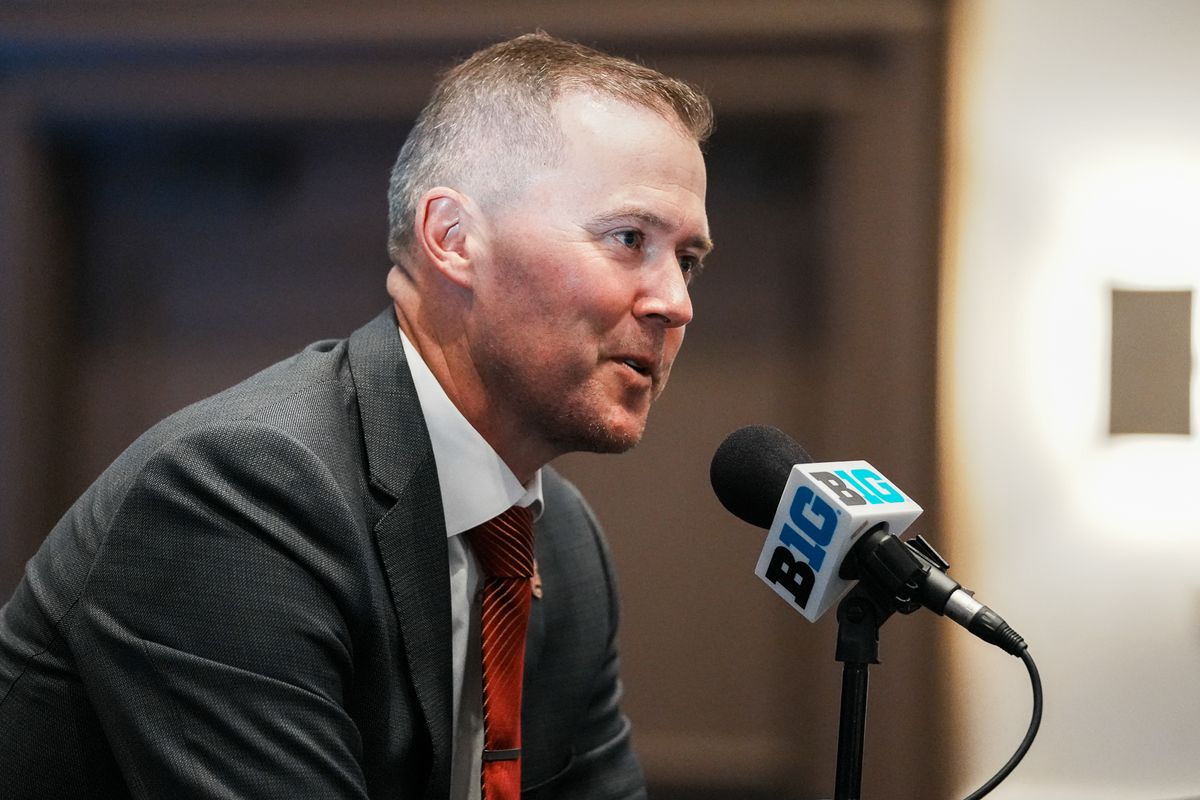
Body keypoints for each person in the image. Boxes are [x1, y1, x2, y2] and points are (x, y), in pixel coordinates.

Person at [0, 32, 712, 799]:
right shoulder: (239, 494)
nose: (675, 302)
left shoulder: (564, 545)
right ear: (453, 239)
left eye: (688, 260)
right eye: (629, 239)